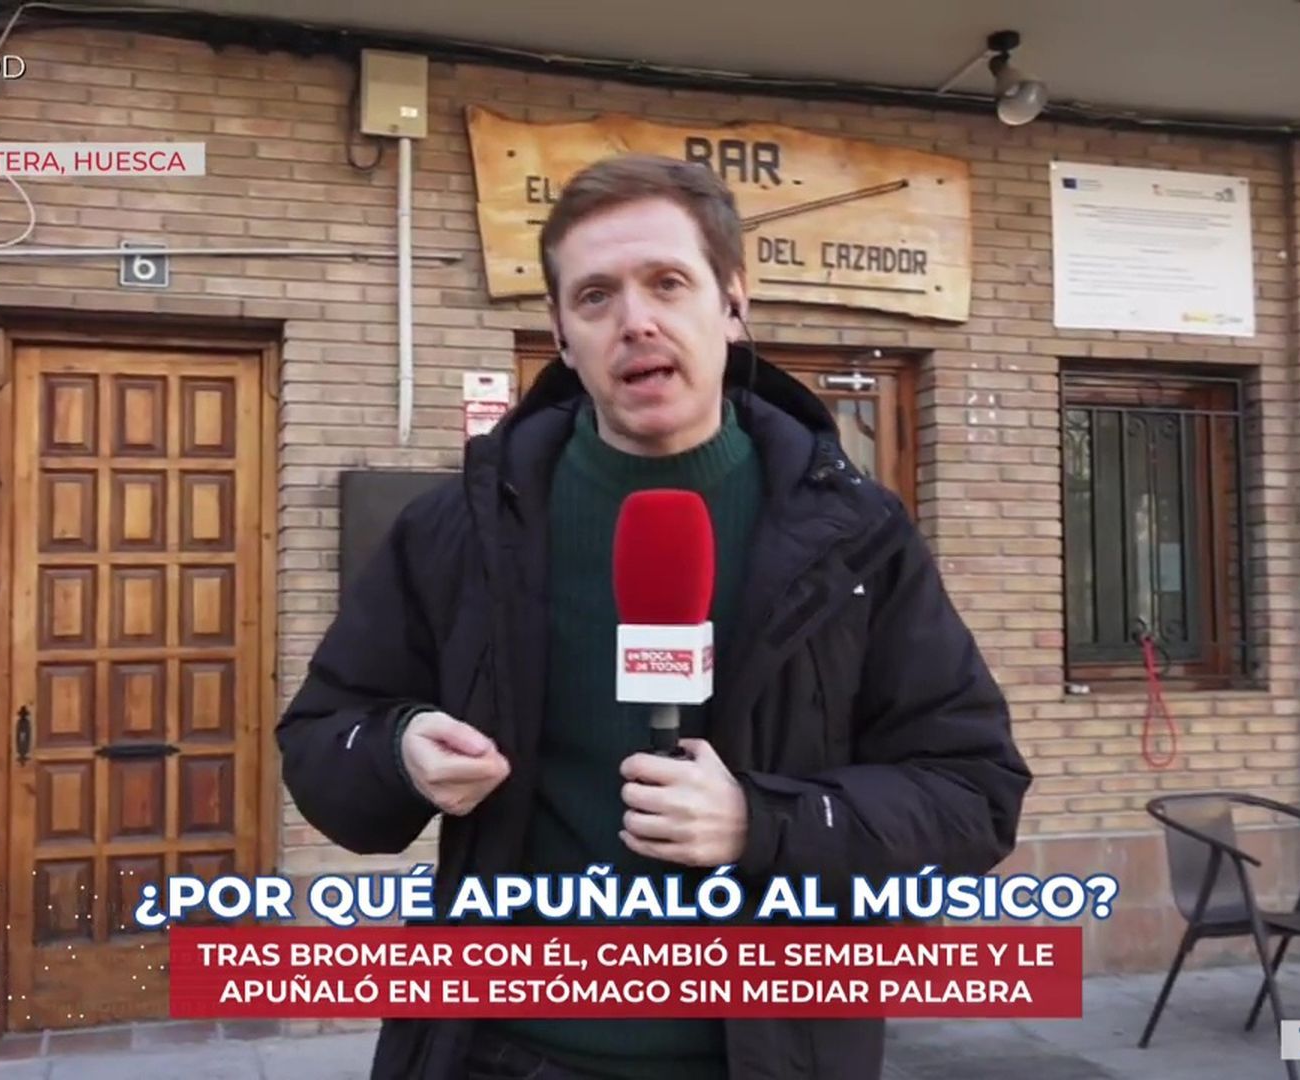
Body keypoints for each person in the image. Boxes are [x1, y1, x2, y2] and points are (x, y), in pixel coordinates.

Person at [277, 153, 1032, 1080]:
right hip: (501, 1052)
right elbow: (322, 740)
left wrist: (763, 823)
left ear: (732, 301)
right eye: (595, 296)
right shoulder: (461, 530)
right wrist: (399, 751)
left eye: (668, 282)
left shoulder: (858, 540)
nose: (634, 320)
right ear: (561, 332)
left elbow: (972, 794)